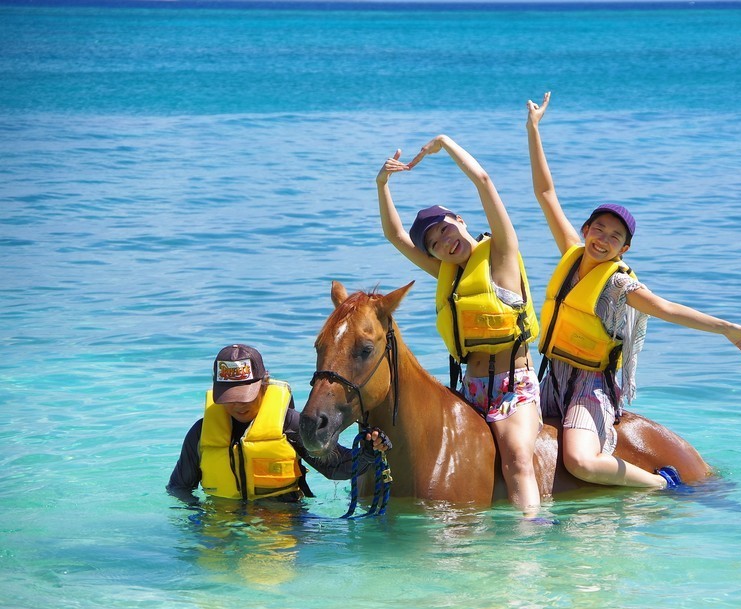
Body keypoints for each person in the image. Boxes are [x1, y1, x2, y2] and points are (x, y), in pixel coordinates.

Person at [526, 92, 741, 490]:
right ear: (586, 230)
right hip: (550, 376)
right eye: (598, 229)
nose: (602, 239)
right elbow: (546, 194)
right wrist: (533, 129)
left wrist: (726, 327)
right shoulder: (571, 254)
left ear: (624, 249)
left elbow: (665, 308)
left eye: (614, 237)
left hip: (590, 384)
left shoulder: (620, 285)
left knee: (581, 461)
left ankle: (661, 486)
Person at [376, 135, 543, 515]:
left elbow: (483, 180)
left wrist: (446, 145)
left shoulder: (501, 253)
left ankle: (530, 539)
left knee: (516, 458)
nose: (443, 242)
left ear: (460, 221)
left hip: (512, 387)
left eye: (444, 229)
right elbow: (395, 236)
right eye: (433, 243)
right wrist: (382, 185)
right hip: (470, 390)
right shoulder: (447, 274)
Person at [167, 343, 390, 504]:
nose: (238, 405)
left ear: (264, 384)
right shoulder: (200, 433)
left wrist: (368, 453)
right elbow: (179, 488)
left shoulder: (289, 424)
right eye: (230, 397)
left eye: (246, 395)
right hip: (225, 524)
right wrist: (197, 517)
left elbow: (335, 467)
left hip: (285, 523)